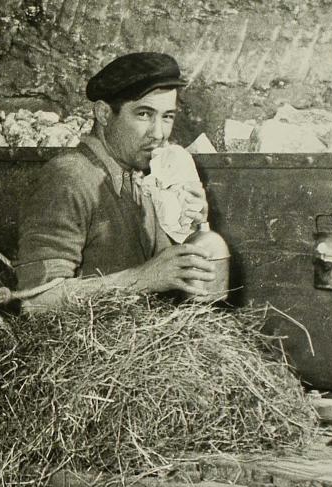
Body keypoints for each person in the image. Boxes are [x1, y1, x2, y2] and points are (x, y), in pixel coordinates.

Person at [16, 52, 214, 311]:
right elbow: (36, 302)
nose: (159, 134)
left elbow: (170, 277)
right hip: (84, 348)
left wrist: (193, 228)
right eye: (144, 114)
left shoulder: (139, 179)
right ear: (104, 113)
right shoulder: (70, 177)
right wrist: (144, 279)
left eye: (167, 116)